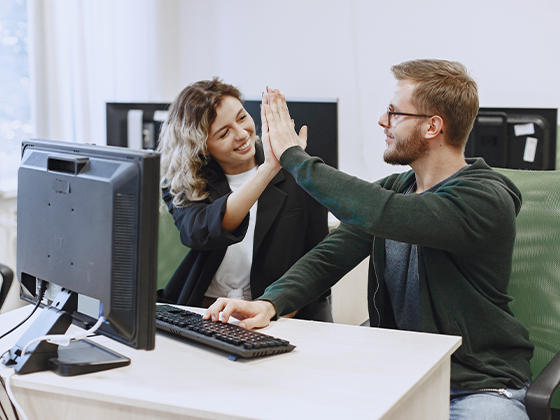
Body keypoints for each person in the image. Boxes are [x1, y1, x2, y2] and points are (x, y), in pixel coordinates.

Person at [205, 60, 534, 419]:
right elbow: (331, 255)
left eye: (394, 113)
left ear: (432, 126)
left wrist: (293, 157)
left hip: (478, 386)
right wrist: (270, 303)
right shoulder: (400, 189)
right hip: (401, 378)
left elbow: (383, 213)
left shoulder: (484, 198)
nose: (382, 121)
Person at [156, 78, 332, 322]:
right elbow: (199, 231)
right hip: (206, 310)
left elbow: (320, 259)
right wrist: (267, 170)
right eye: (224, 133)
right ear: (203, 147)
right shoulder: (182, 183)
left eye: (241, 118)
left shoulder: (299, 171)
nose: (241, 134)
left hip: (282, 311)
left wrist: (280, 309)